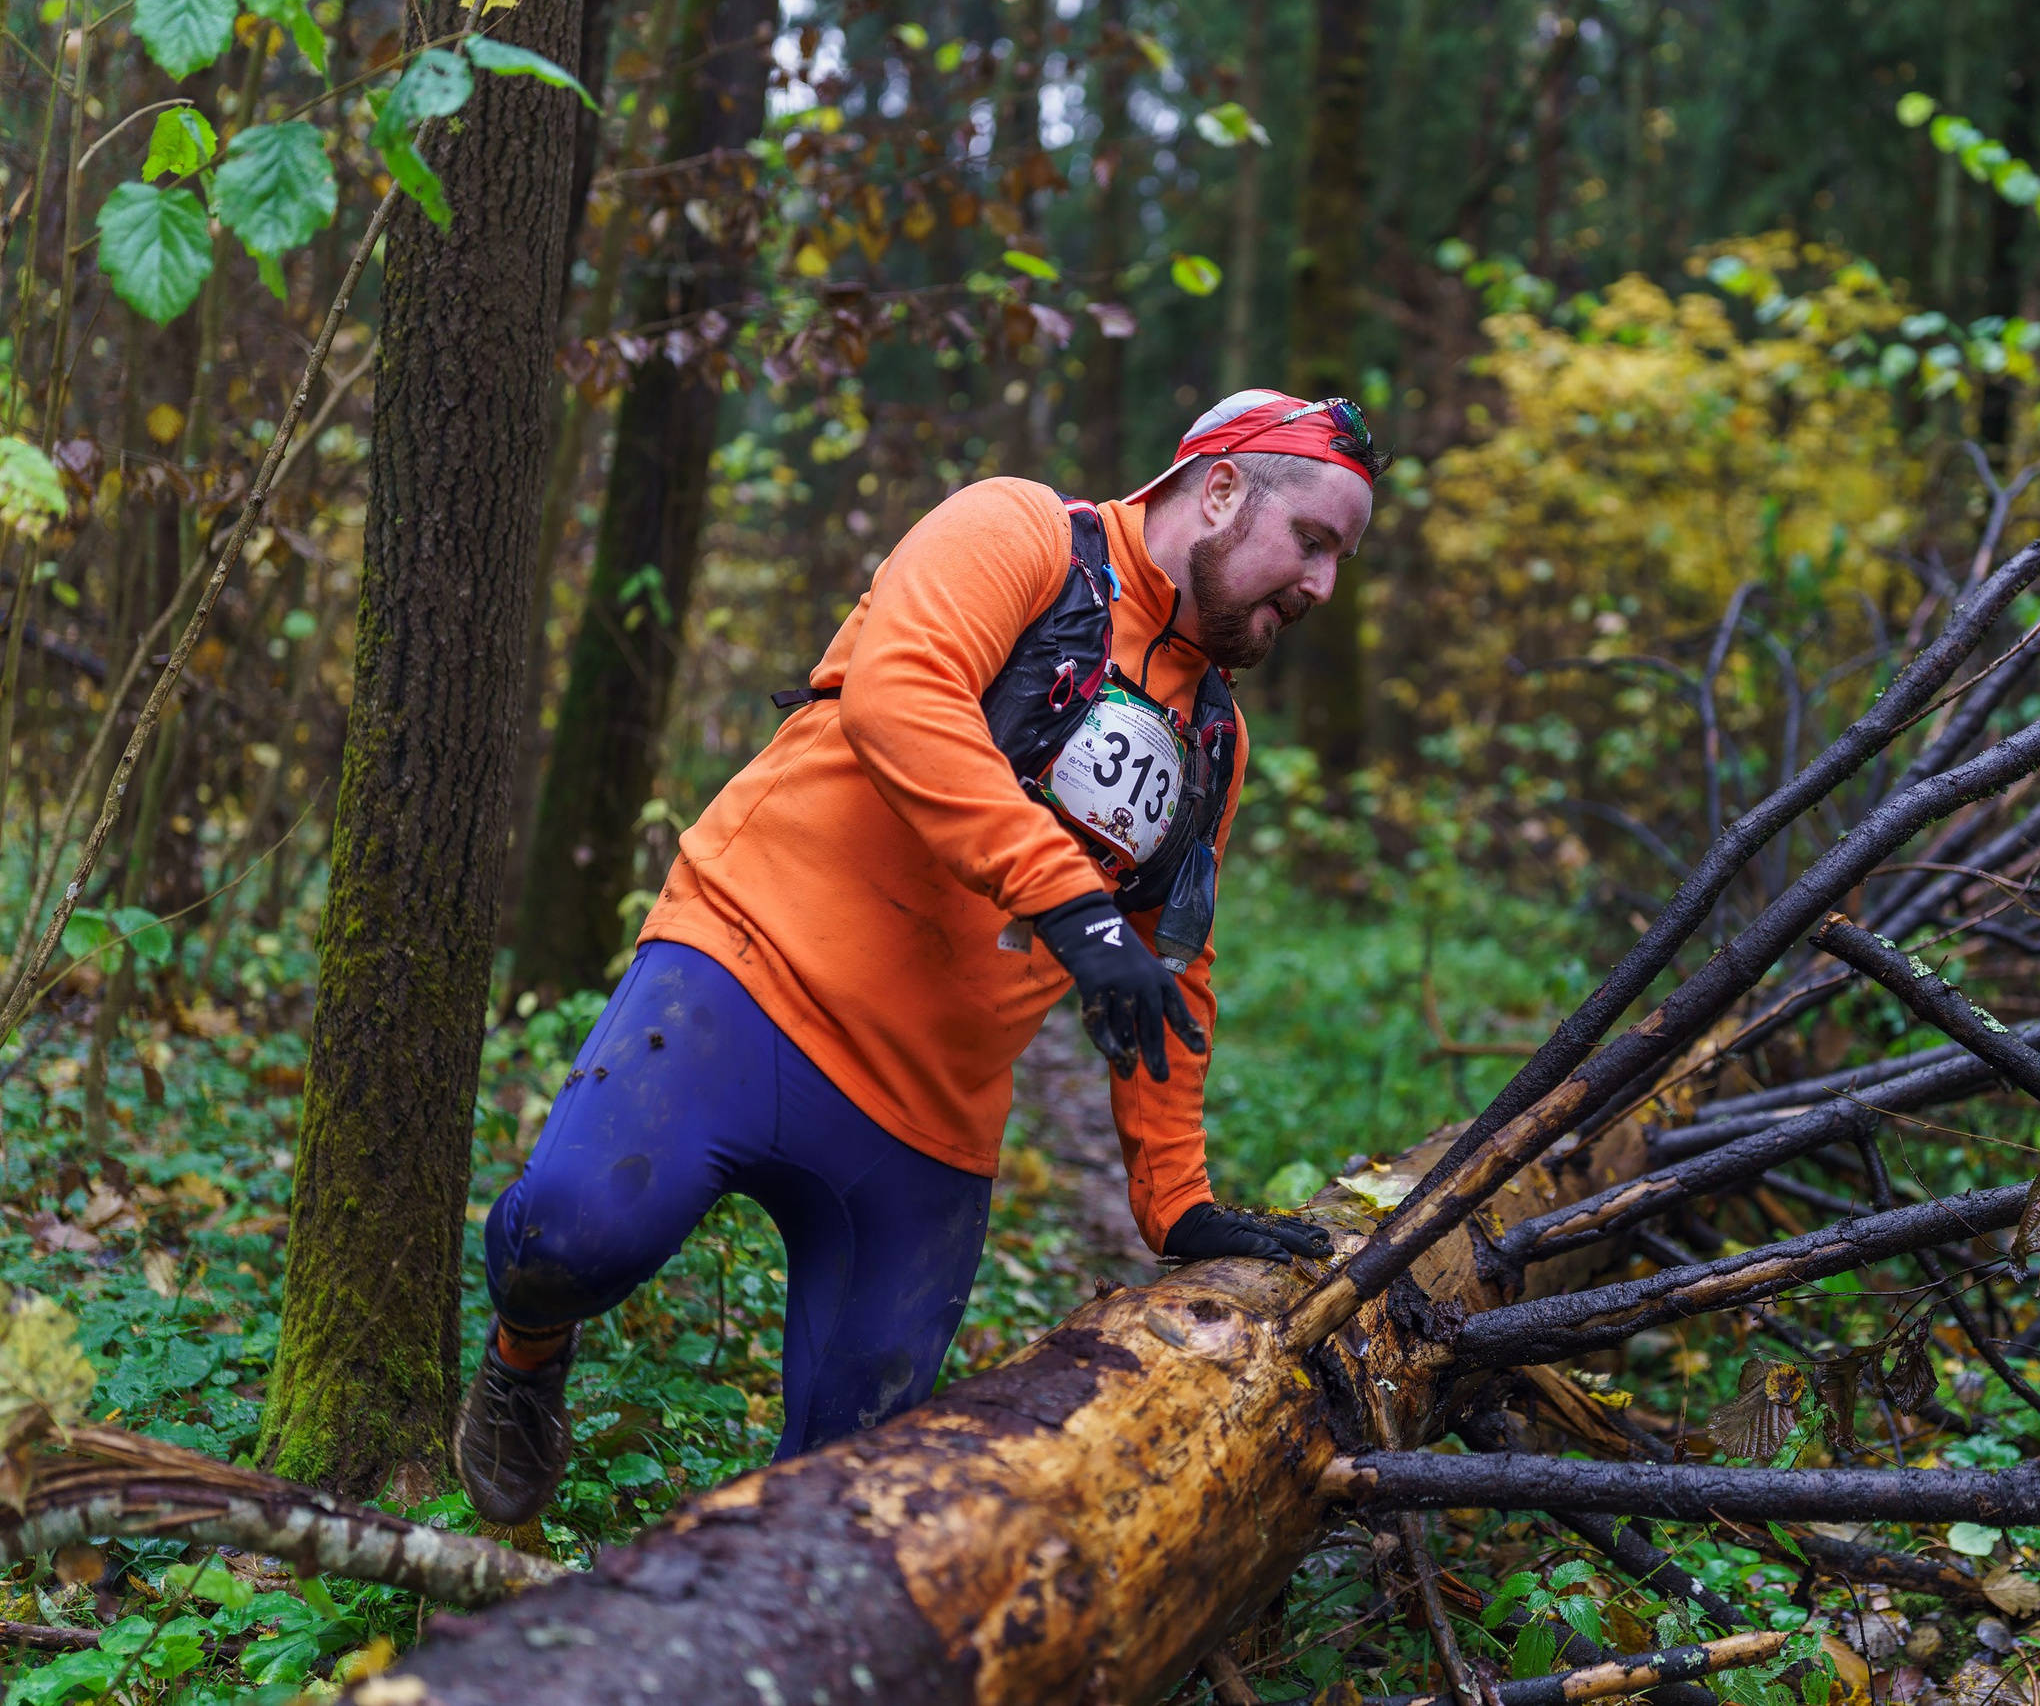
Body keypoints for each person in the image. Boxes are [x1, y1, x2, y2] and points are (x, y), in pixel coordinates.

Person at [455, 391, 1387, 1523]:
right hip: (749, 974)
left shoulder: (1213, 739)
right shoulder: (1022, 534)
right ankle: (525, 1351)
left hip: (929, 1113)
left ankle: (735, 1607)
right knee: (570, 1239)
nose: (1320, 585)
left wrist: (1176, 1199)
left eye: (1338, 561)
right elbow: (900, 696)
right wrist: (1069, 903)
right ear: (1225, 488)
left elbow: (1171, 968)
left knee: (853, 1474)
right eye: (1312, 540)